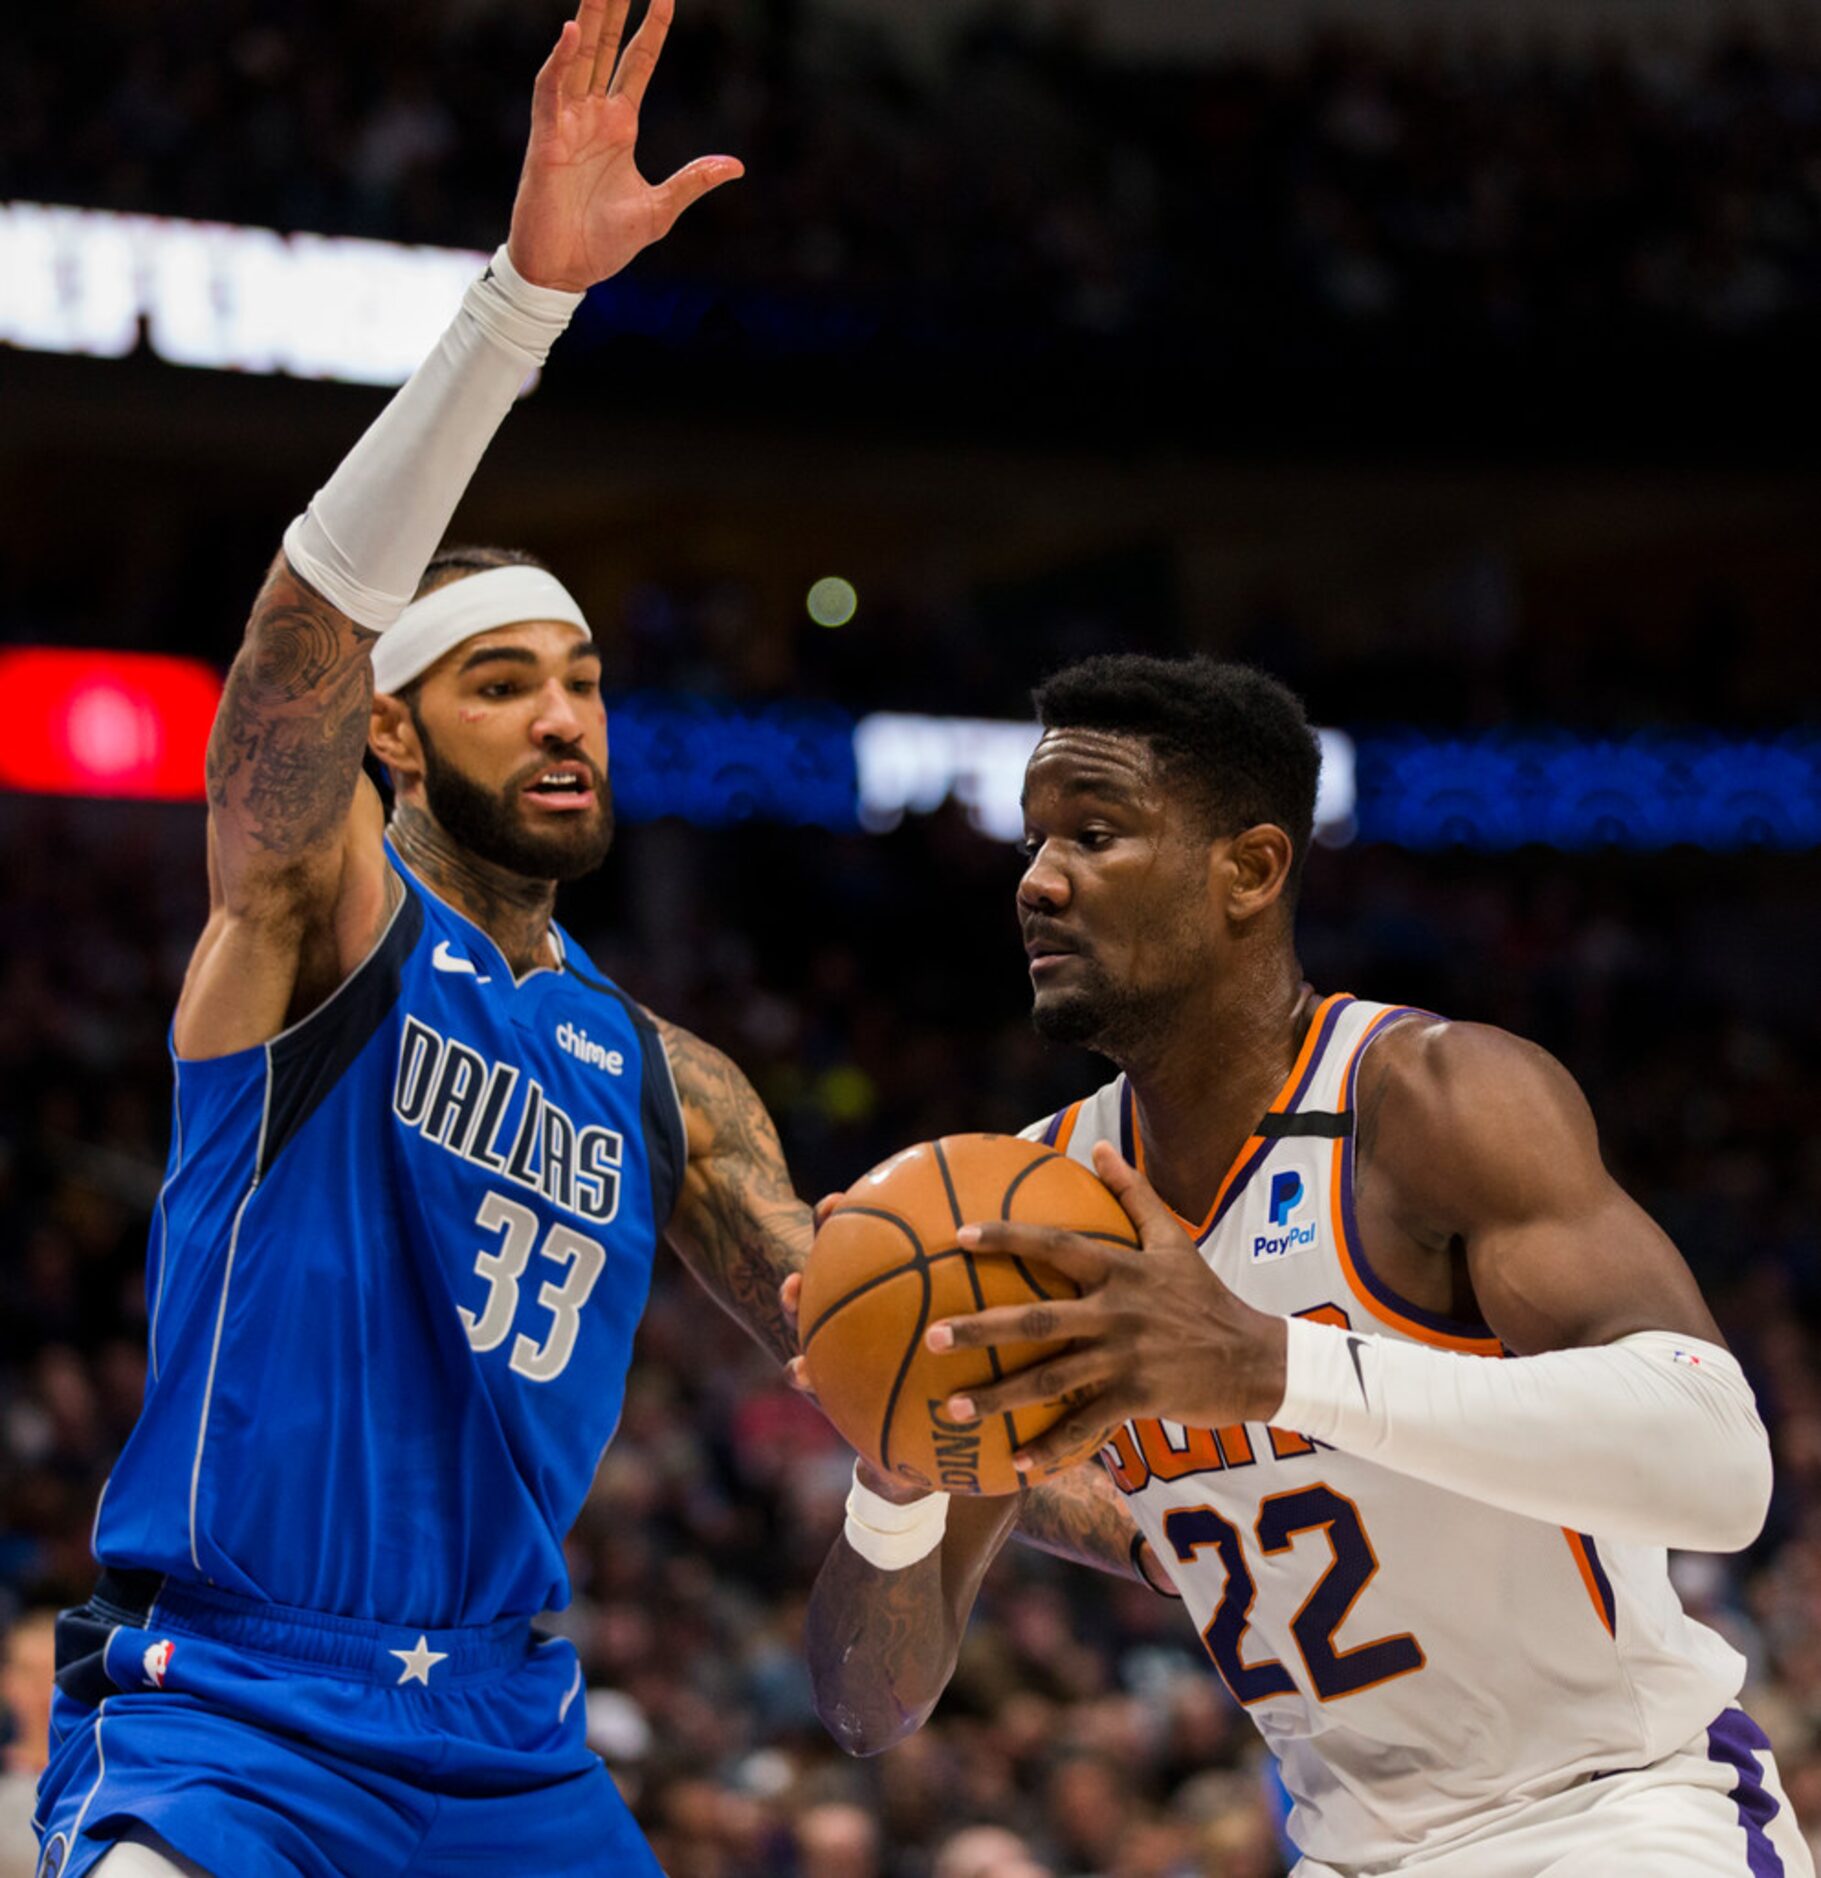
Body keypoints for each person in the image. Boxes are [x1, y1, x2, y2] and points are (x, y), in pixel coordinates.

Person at [33, 6, 810, 1874]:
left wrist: (1178, 1468)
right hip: (236, 1705)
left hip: (506, 1734)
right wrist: (518, 311)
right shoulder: (319, 919)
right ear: (391, 727)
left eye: (587, 681)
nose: (565, 718)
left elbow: (856, 1333)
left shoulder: (666, 1078)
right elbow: (292, 644)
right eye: (499, 682)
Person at [796, 654, 1811, 1877]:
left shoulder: (1434, 1100)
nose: (1038, 881)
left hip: (1614, 1813)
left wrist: (1273, 1367)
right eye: (1031, 842)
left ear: (1252, 869)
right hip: (1344, 1850)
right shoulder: (1030, 1212)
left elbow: (1721, 1467)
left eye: (1096, 834)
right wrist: (892, 1478)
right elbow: (869, 1709)